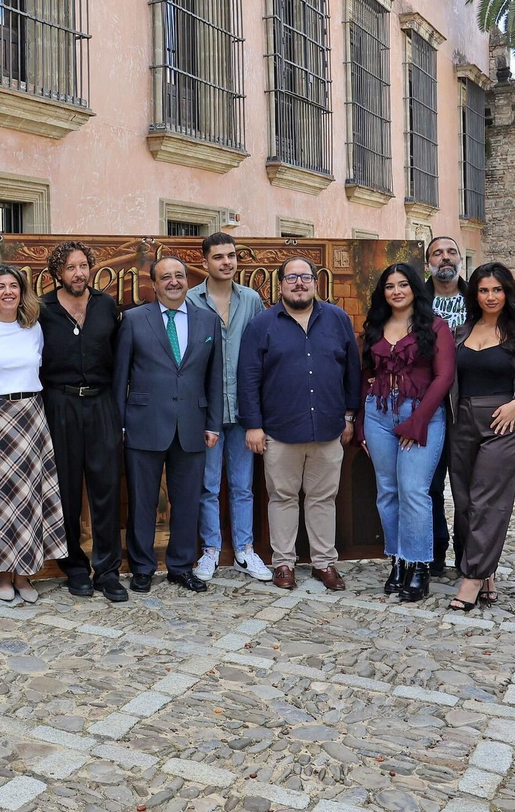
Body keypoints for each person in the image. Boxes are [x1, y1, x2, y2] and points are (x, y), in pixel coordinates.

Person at [238, 256, 361, 592]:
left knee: (323, 498)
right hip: (279, 430)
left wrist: (350, 416)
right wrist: (253, 425)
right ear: (280, 285)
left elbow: (352, 371)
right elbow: (248, 378)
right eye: (291, 278)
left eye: (305, 277)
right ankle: (283, 563)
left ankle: (324, 563)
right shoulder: (261, 325)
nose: (299, 283)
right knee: (282, 498)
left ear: (315, 283)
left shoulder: (337, 319)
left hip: (328, 428)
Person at [447, 263, 515, 610]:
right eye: (483, 290)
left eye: (497, 289)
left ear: (507, 292)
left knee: (487, 502)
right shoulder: (461, 332)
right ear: (474, 294)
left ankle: (473, 578)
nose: (490, 296)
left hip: (503, 425)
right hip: (461, 422)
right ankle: (485, 570)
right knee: (463, 503)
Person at [114, 256, 222, 595]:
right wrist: (119, 425)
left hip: (193, 424)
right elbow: (120, 378)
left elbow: (214, 377)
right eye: (166, 277)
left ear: (187, 281)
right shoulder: (133, 320)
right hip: (143, 424)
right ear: (154, 284)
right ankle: (142, 568)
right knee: (143, 502)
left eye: (179, 276)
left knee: (188, 501)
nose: (173, 282)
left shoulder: (208, 320)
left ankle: (180, 566)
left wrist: (214, 424)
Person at [0, 265, 66, 603]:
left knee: (27, 499)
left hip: (29, 416)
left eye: (14, 286)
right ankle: (1, 576)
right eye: (0, 286)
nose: (8, 292)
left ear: (22, 292)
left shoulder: (34, 329)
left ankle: (24, 575)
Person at [36, 242, 127, 603]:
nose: (78, 273)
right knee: (67, 490)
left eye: (83, 266)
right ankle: (74, 567)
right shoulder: (42, 309)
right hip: (60, 403)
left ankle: (107, 571)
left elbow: (119, 356)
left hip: (102, 402)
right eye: (70, 267)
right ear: (58, 273)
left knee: (106, 488)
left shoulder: (106, 306)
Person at [358, 263, 455, 603]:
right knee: (387, 491)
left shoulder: (435, 326)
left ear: (415, 288)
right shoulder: (375, 326)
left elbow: (444, 377)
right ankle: (397, 560)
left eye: (403, 284)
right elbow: (364, 376)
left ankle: (420, 566)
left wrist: (418, 422)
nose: (396, 291)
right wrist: (360, 425)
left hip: (421, 412)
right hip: (378, 413)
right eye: (389, 286)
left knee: (414, 490)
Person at [184, 232, 269, 583]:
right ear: (205, 262)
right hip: (206, 411)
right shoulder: (190, 299)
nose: (226, 262)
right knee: (207, 485)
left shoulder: (251, 300)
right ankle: (211, 551)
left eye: (231, 256)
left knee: (243, 485)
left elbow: (263, 354)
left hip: (244, 410)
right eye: (218, 257)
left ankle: (245, 552)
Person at [426, 236, 468, 577]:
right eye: (437, 253)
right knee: (430, 485)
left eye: (451, 252)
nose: (445, 258)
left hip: (470, 407)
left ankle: (469, 555)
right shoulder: (415, 301)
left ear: (460, 259)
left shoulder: (481, 299)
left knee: (469, 489)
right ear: (428, 263)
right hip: (429, 407)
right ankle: (436, 552)